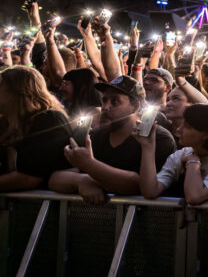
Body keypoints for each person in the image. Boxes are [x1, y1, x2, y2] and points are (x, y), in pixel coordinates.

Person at [48, 75, 176, 203]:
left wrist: (90, 165)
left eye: (115, 101)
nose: (105, 107)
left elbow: (138, 185)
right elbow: (55, 179)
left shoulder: (158, 138)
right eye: (104, 100)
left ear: (135, 106)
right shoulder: (94, 136)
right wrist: (82, 181)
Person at [136, 104, 208, 204]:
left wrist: (193, 162)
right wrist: (148, 147)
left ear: (205, 134)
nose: (179, 129)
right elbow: (150, 191)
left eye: (188, 126)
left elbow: (194, 197)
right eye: (182, 123)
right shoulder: (182, 154)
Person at [0, 66, 72, 191]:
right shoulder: (8, 122)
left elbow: (31, 178)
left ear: (18, 91)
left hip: (44, 207)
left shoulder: (49, 120)